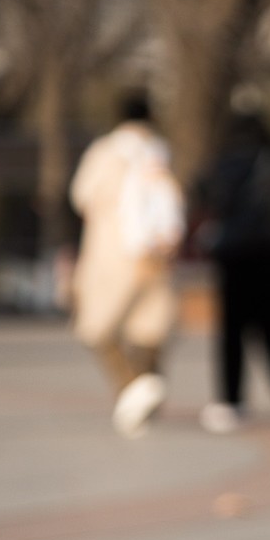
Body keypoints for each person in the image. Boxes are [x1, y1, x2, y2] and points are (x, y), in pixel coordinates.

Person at [69, 90, 185, 438]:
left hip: (113, 255)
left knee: (97, 327)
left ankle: (133, 386)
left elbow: (82, 197)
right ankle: (146, 385)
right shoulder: (161, 152)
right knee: (151, 326)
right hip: (158, 255)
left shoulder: (105, 152)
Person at [195, 109, 270, 433]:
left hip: (234, 257)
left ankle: (230, 402)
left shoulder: (225, 163)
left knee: (232, 331)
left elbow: (204, 196)